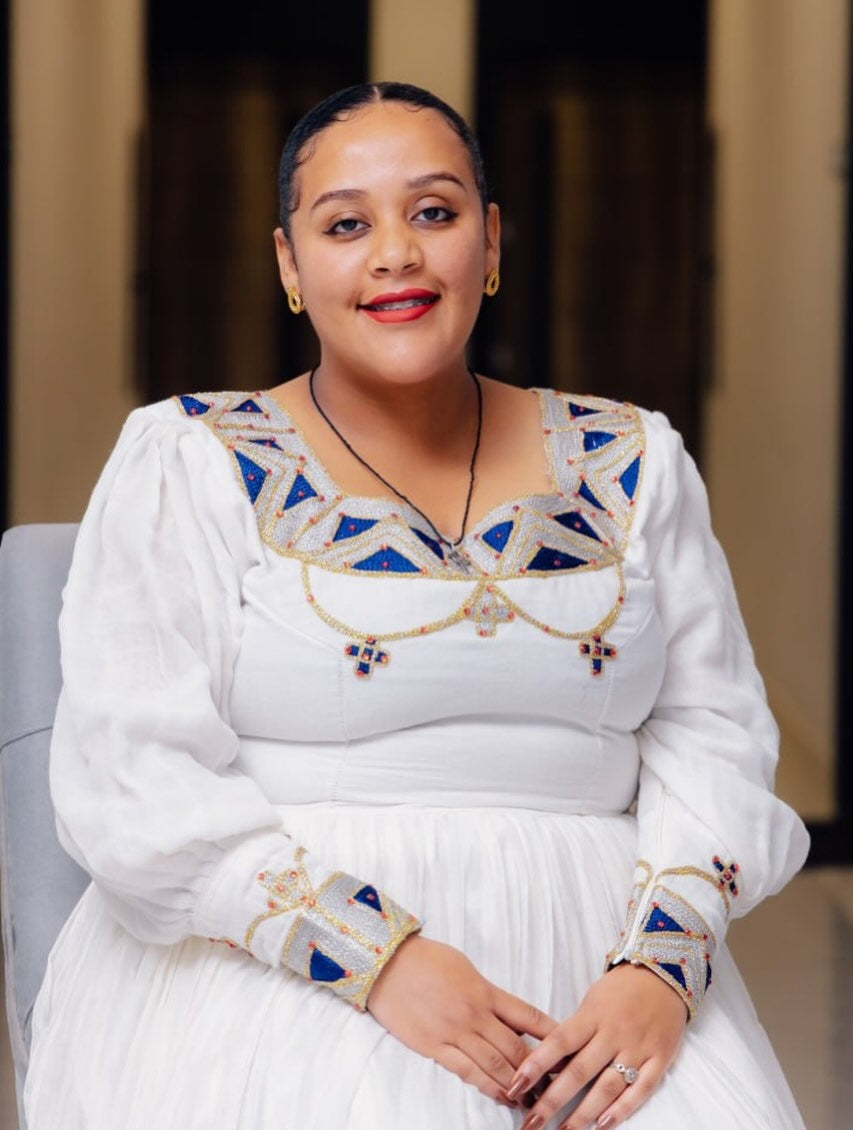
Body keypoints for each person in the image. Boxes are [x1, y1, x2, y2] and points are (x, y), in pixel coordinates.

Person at [25, 81, 809, 1130]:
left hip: (602, 978)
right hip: (280, 966)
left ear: (488, 241)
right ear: (288, 266)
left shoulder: (632, 458)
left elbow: (712, 733)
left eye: (433, 212)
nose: (395, 252)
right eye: (345, 224)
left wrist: (659, 972)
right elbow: (132, 774)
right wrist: (379, 959)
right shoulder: (190, 462)